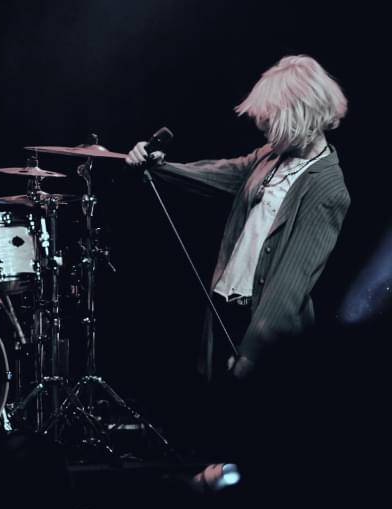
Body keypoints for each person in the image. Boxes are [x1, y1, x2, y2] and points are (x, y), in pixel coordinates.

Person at [126, 55, 350, 461]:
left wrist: (255, 352)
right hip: (228, 310)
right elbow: (222, 172)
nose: (262, 126)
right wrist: (159, 167)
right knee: (215, 431)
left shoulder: (327, 187)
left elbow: (291, 282)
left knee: (258, 441)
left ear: (299, 114)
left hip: (265, 332)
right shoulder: (271, 157)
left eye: (270, 118)